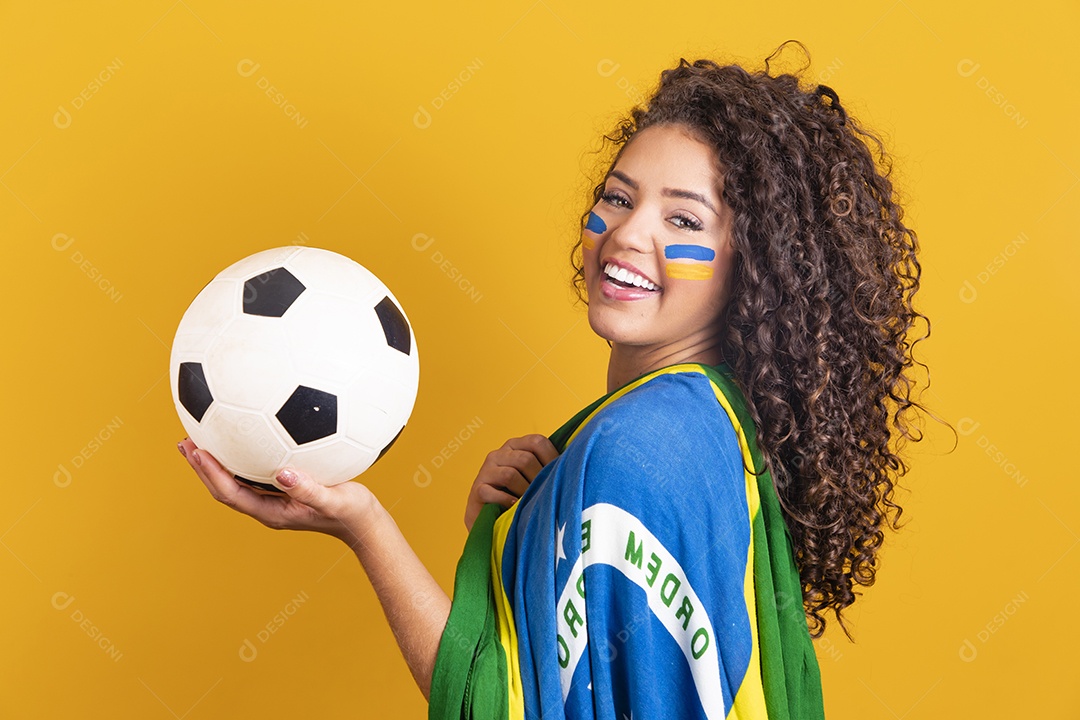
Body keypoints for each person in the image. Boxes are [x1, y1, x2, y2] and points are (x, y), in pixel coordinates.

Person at [178, 40, 929, 719]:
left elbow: (492, 713)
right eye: (618, 198)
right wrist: (509, 536)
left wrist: (363, 526)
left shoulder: (643, 450)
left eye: (686, 222)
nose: (629, 235)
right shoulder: (703, 427)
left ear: (753, 267)